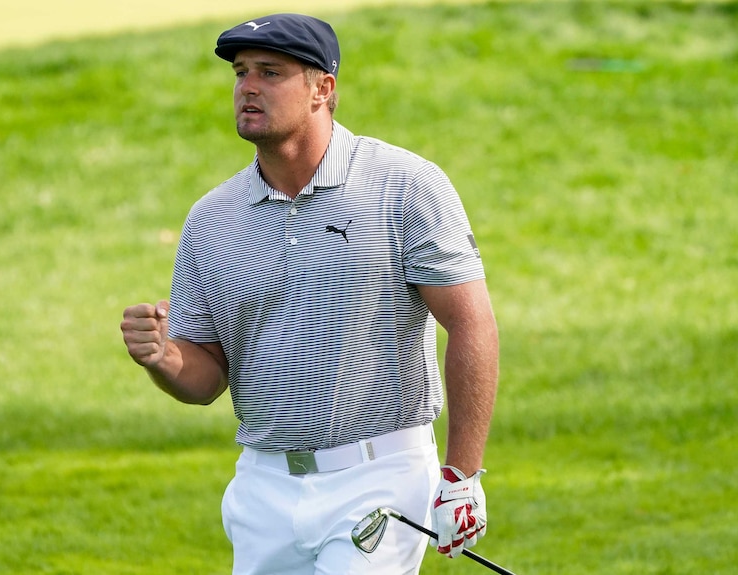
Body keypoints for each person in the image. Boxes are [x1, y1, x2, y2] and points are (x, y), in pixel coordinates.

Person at [120, 12, 500, 575]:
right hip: (264, 485)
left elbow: (471, 323)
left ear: (323, 89)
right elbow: (206, 379)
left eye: (271, 73)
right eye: (241, 72)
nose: (248, 86)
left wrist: (462, 476)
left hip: (380, 479)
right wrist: (162, 356)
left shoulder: (405, 185)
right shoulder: (212, 220)